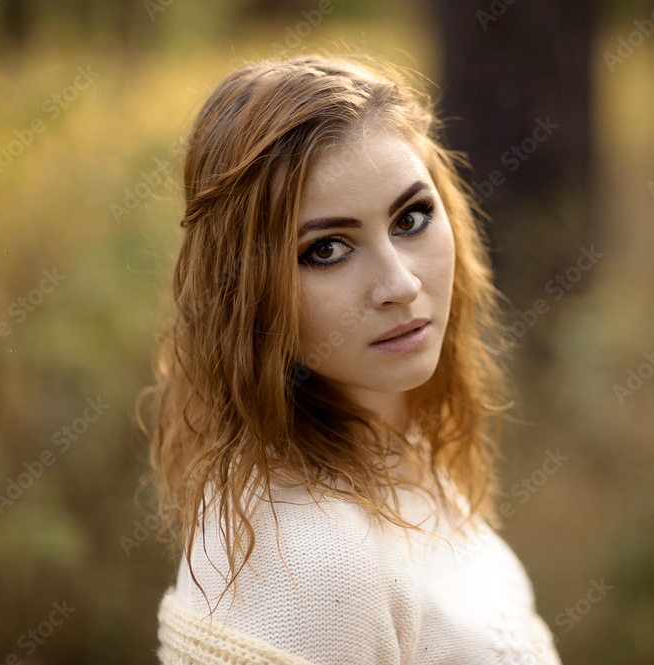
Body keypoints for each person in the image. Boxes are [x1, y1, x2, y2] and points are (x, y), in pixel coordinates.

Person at [140, 52, 562, 665]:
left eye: (412, 217)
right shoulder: (310, 560)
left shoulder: (403, 447)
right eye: (328, 249)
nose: (400, 284)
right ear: (245, 292)